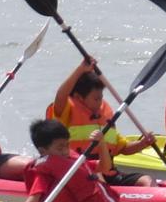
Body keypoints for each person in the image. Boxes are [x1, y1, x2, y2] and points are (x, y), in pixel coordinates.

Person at [46, 58, 155, 187]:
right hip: (80, 173)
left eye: (101, 98)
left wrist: (142, 144)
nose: (100, 102)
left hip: (109, 173)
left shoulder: (104, 115)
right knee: (98, 177)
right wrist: (80, 70)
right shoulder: (66, 110)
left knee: (146, 180)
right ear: (78, 97)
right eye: (96, 99)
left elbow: (123, 148)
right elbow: (61, 95)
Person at [20, 118, 132, 202]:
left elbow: (105, 166)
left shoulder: (73, 161)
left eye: (67, 145)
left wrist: (101, 143)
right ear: (43, 151)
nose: (65, 151)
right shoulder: (43, 174)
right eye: (59, 148)